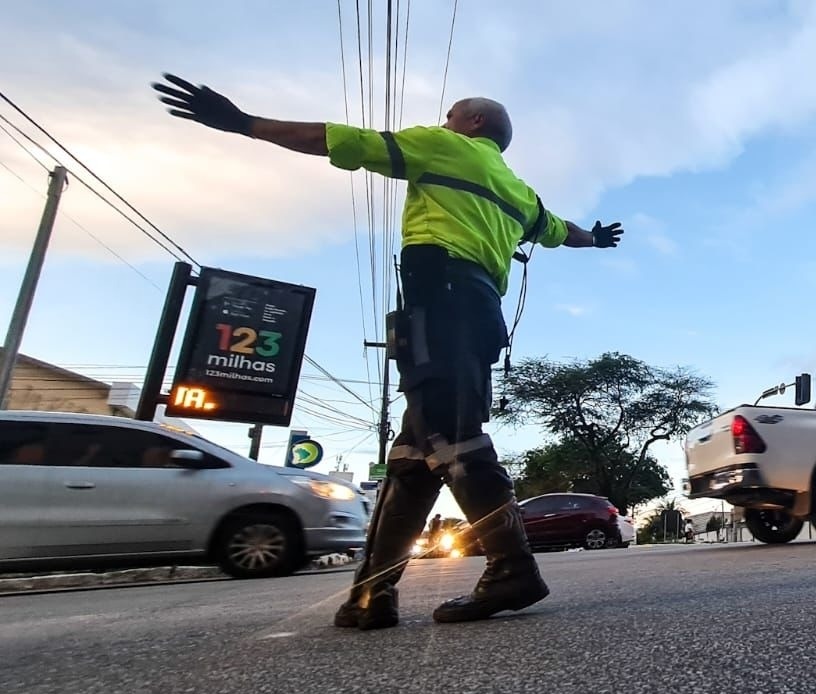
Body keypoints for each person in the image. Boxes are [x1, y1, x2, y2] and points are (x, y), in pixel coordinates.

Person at [152, 74, 624, 628]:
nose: (442, 121)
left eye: (450, 115)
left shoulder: (444, 146)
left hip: (440, 299)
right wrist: (594, 238)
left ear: (472, 124)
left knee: (454, 440)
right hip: (477, 314)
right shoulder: (518, 191)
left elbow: (342, 140)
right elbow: (557, 230)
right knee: (411, 460)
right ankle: (372, 596)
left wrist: (244, 124)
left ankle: (513, 567)